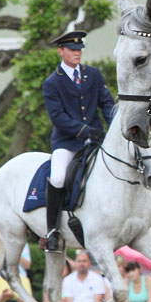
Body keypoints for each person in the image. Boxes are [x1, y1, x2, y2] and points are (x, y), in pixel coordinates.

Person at [41, 30, 115, 252]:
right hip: (68, 142)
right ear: (61, 51)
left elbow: (107, 103)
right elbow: (58, 117)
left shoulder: (93, 74)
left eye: (79, 50)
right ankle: (52, 229)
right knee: (58, 177)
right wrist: (84, 131)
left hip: (96, 140)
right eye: (73, 50)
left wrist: (116, 124)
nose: (77, 53)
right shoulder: (52, 83)